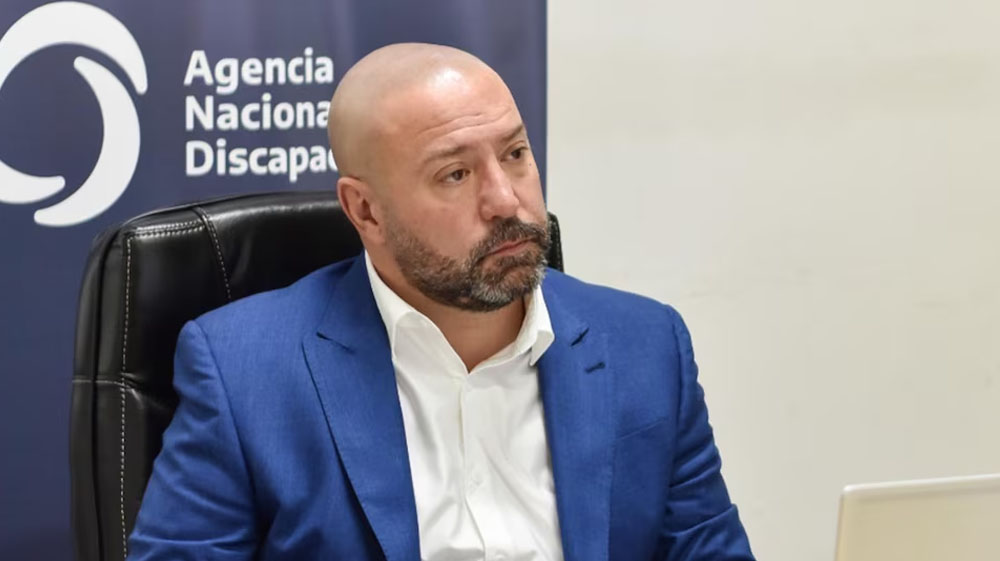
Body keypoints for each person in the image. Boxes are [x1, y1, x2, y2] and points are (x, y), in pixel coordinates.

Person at [128, 43, 755, 561]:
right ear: (366, 211)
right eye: (455, 174)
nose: (506, 200)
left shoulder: (646, 345)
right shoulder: (245, 372)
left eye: (515, 154)